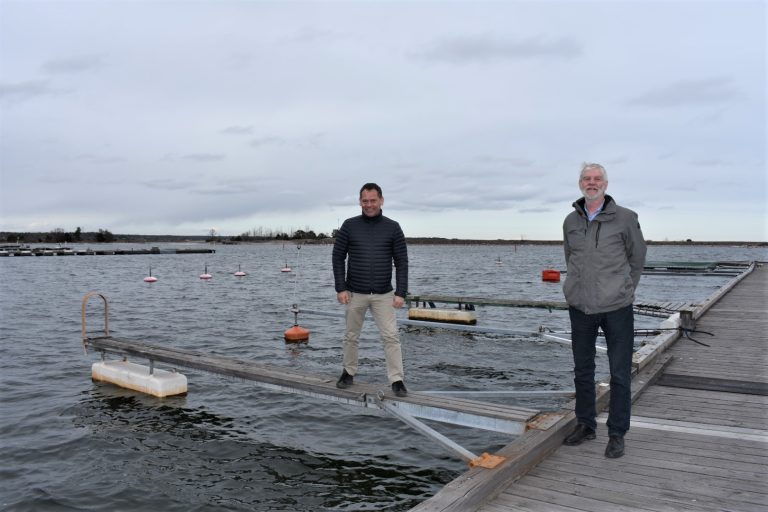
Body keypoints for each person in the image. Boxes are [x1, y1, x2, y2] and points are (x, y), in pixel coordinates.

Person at [562, 163, 647, 459]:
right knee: (582, 371)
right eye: (587, 178)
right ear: (580, 184)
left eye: (597, 178)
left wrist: (625, 289)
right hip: (581, 308)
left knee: (620, 373)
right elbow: (570, 258)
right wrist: (574, 289)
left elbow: (637, 259)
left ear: (606, 184)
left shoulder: (625, 218)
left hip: (616, 308)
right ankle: (585, 424)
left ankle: (617, 432)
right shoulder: (571, 220)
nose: (592, 182)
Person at [332, 183, 409, 397]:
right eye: (365, 201)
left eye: (373, 200)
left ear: (381, 200)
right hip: (354, 293)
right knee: (351, 336)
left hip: (384, 295)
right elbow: (338, 257)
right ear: (360, 202)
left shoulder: (393, 227)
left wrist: (401, 292)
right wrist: (341, 287)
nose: (369, 205)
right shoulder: (349, 226)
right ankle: (348, 372)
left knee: (391, 337)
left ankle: (397, 379)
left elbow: (401, 262)